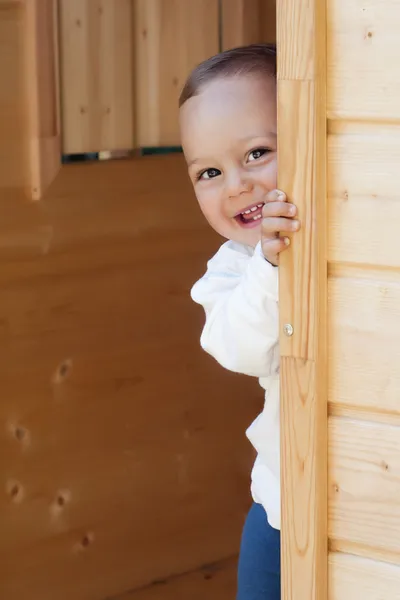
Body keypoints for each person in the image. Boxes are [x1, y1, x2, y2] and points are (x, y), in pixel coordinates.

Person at [179, 44, 301, 599]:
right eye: (209, 171)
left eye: (255, 153)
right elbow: (238, 346)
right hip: (280, 509)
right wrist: (269, 263)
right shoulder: (232, 268)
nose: (235, 185)